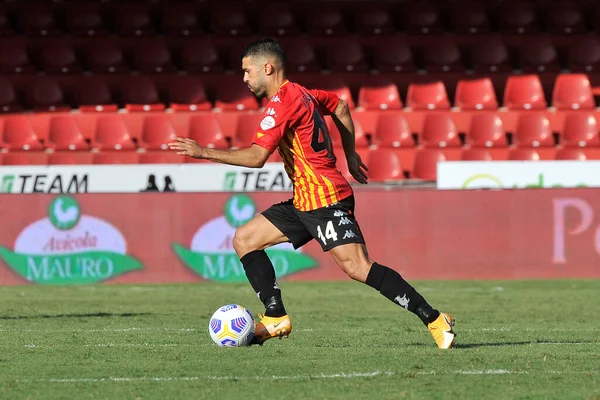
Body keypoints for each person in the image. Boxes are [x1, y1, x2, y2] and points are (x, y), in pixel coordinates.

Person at [168, 38, 456, 349]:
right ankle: (275, 315)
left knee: (358, 267)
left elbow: (255, 158)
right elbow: (341, 106)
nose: (244, 79)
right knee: (245, 238)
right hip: (304, 200)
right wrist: (351, 154)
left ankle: (434, 318)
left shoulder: (281, 105)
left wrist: (203, 152)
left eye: (247, 72)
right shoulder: (303, 93)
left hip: (326, 198)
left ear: (268, 68)